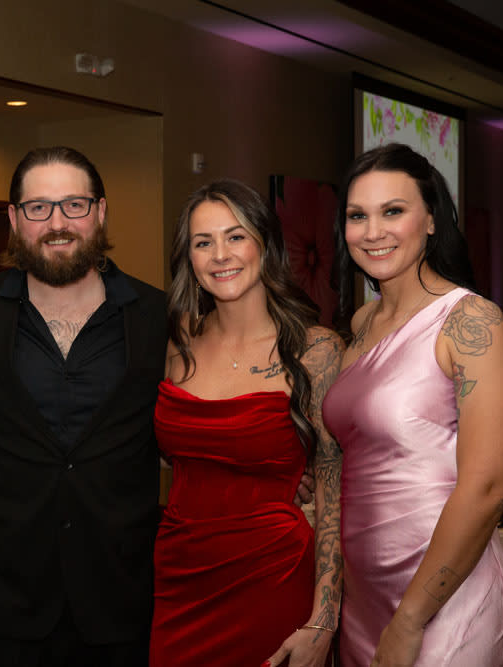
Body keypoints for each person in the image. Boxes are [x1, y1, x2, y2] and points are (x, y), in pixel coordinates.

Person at [0, 147, 314, 665]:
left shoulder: (161, 318)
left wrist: (270, 469)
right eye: (38, 208)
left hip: (126, 599)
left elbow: (200, 415)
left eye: (74, 205)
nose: (57, 223)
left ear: (101, 212)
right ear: (14, 219)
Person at [322, 143, 503, 666]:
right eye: (357, 216)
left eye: (393, 211)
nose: (373, 231)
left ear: (431, 220)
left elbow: (489, 487)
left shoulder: (470, 321)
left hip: (444, 600)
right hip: (364, 598)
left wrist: (411, 618)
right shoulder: (361, 324)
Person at [150, 179, 342, 667]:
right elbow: (177, 452)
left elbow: (334, 494)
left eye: (235, 236)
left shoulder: (316, 349)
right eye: (203, 242)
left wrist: (323, 620)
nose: (220, 255)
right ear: (189, 258)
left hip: (272, 576)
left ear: (265, 245)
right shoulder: (177, 340)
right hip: (179, 577)